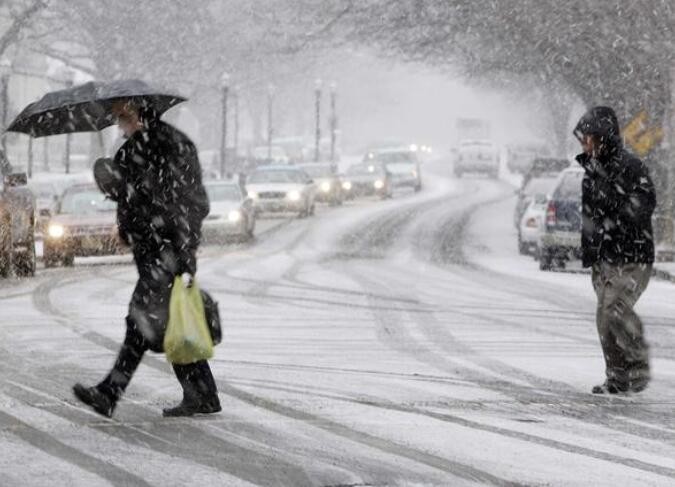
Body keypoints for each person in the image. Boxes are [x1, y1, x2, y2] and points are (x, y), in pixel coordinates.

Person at [73, 98, 221, 417]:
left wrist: (176, 242)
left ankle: (109, 392)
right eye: (116, 116)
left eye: (123, 114)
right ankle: (204, 394)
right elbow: (127, 195)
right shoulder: (131, 150)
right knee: (170, 322)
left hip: (167, 251)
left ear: (141, 110)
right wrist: (111, 183)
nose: (119, 121)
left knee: (139, 322)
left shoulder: (172, 145)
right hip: (151, 251)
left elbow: (195, 203)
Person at [573, 106, 656, 394]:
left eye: (589, 138)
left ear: (602, 137)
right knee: (604, 319)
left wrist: (618, 216)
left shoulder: (631, 167)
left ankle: (637, 364)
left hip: (632, 255)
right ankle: (617, 376)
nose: (584, 144)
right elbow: (588, 216)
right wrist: (590, 252)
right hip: (605, 258)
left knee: (615, 310)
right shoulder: (591, 173)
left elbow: (645, 203)